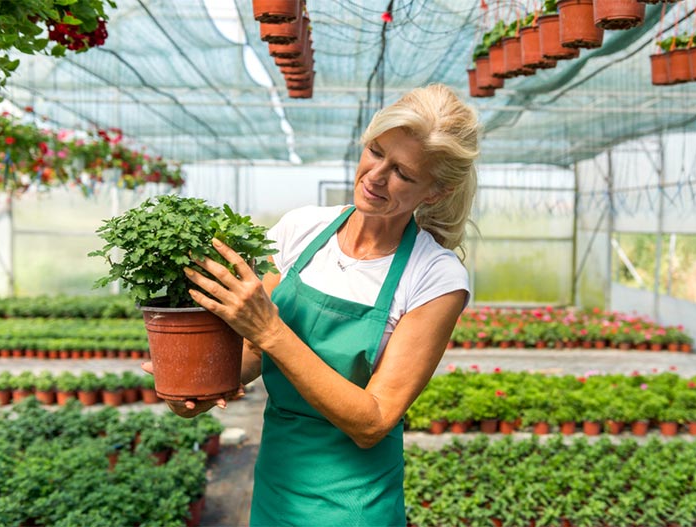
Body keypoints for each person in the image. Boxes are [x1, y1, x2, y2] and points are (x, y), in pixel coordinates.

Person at [157, 83, 480, 526]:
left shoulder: (435, 277)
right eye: (375, 151)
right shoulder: (301, 229)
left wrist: (271, 329)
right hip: (277, 482)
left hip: (354, 502)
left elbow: (374, 421)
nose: (375, 175)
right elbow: (252, 354)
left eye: (403, 172)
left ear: (435, 192)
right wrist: (196, 387)